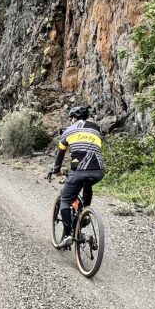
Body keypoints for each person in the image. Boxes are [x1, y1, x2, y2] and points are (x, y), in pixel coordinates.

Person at [47, 106, 106, 248]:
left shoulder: (68, 130)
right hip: (99, 171)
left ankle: (67, 235)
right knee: (87, 184)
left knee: (66, 200)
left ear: (73, 118)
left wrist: (56, 170)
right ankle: (84, 212)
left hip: (79, 170)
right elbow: (90, 149)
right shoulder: (95, 129)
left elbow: (60, 154)